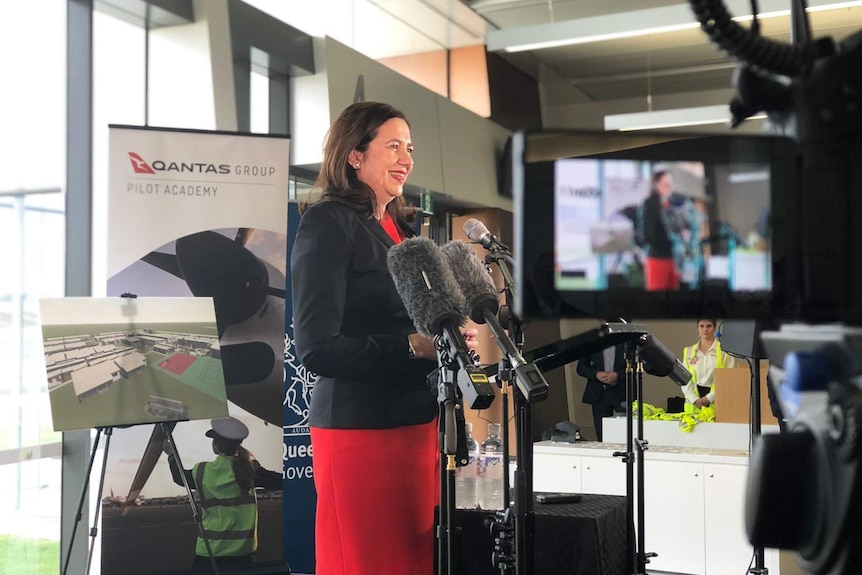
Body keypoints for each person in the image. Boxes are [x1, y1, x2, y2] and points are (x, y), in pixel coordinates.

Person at [290, 101, 478, 575]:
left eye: (409, 148)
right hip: (361, 431)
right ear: (354, 155)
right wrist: (412, 346)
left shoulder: (402, 230)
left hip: (417, 426)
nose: (406, 158)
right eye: (392, 146)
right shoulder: (328, 222)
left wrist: (451, 338)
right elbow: (317, 346)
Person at [164, 416, 282, 570]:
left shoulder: (202, 471)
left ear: (216, 446)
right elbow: (279, 481)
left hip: (209, 551)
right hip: (243, 551)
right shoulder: (250, 470)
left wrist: (171, 454)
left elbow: (180, 477)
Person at [577, 334, 626, 442]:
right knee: (602, 433)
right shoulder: (591, 341)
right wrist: (596, 374)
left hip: (622, 391)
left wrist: (617, 375)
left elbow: (637, 364)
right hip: (599, 393)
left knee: (626, 431)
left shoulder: (626, 339)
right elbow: (581, 368)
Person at [681, 318, 735, 411]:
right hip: (693, 404)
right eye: (701, 326)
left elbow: (729, 380)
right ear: (697, 328)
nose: (705, 329)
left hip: (716, 401)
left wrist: (708, 398)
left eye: (708, 326)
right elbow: (684, 379)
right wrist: (695, 399)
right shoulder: (688, 351)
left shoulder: (725, 352)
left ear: (715, 328)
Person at [640, 170, 681, 290]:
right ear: (656, 185)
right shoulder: (650, 204)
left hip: (672, 258)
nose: (669, 187)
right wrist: (670, 239)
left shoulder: (670, 205)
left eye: (670, 184)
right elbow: (647, 235)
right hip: (658, 258)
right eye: (665, 184)